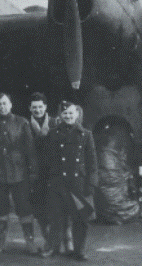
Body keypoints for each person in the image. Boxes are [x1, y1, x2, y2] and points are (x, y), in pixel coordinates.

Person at [42, 101, 98, 261]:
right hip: (58, 183)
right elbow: (49, 160)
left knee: (80, 219)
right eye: (65, 113)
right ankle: (52, 248)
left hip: (78, 184)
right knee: (56, 218)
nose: (68, 116)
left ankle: (80, 250)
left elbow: (92, 162)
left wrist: (91, 184)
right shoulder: (53, 133)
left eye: (71, 113)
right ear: (60, 115)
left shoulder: (86, 134)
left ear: (77, 114)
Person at [0, 92, 38, 254]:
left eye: (5, 103)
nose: (2, 107)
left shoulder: (22, 122)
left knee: (24, 207)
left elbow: (30, 149)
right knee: (0, 207)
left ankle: (29, 241)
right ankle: (1, 241)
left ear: (11, 105)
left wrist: (32, 172)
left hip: (19, 172)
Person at [27, 92, 60, 245]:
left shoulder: (55, 123)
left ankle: (60, 241)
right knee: (39, 209)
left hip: (52, 172)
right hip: (35, 173)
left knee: (55, 207)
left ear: (45, 107)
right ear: (30, 109)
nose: (38, 110)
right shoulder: (26, 125)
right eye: (34, 107)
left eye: (40, 107)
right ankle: (48, 241)